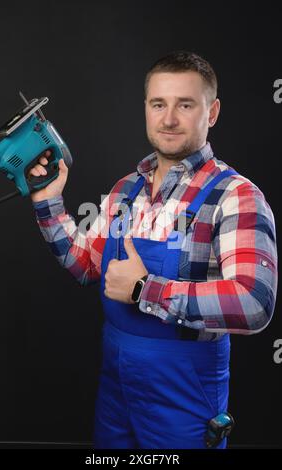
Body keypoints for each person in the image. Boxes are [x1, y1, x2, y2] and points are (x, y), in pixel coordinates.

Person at [29, 51, 278, 449]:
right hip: (117, 384)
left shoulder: (236, 197)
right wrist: (48, 202)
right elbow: (83, 263)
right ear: (146, 108)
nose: (169, 119)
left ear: (211, 112)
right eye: (159, 104)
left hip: (184, 393)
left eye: (185, 104)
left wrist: (146, 288)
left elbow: (254, 302)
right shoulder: (125, 190)